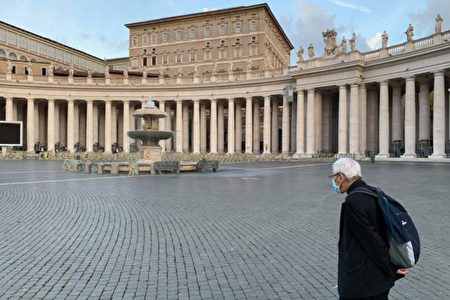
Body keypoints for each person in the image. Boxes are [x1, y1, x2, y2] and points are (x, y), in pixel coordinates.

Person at [330, 158, 408, 300]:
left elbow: (372, 242)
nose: (334, 182)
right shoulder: (373, 193)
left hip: (362, 284)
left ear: (341, 177)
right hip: (379, 281)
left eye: (334, 177)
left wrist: (392, 270)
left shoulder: (352, 203)